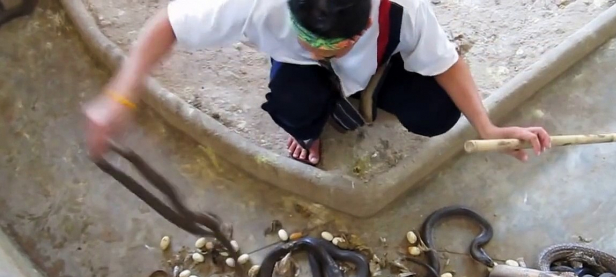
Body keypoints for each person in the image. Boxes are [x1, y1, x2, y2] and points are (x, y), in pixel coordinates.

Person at [83, 0, 551, 166]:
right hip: (295, 71)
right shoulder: (250, 5)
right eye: (310, 40)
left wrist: (487, 127)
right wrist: (119, 96)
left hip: (382, 57)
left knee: (439, 114)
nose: (320, 50)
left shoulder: (404, 8)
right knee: (294, 100)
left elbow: (447, 63)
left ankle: (362, 83)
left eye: (334, 45)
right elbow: (166, 23)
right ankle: (305, 124)